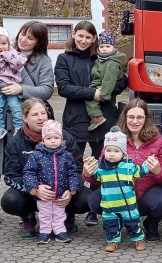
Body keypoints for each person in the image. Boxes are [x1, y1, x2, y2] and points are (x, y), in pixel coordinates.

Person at [0, 21, 53, 225]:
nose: (24, 39)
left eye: (31, 37)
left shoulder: (42, 61)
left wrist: (21, 89)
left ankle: (26, 207)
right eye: (22, 34)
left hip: (25, 117)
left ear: (39, 42)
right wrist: (6, 85)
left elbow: (46, 90)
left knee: (26, 162)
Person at [84, 99, 162, 241]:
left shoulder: (158, 141)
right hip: (119, 195)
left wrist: (158, 171)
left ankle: (151, 223)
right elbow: (100, 175)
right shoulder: (113, 139)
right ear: (125, 117)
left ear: (146, 119)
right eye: (131, 117)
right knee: (94, 200)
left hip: (146, 195)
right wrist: (87, 173)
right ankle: (118, 220)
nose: (135, 121)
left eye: (140, 117)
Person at [1, 98, 91, 238]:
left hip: (62, 192)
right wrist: (34, 189)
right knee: (10, 200)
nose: (40, 118)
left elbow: (77, 169)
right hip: (32, 194)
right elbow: (11, 176)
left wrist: (71, 191)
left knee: (87, 199)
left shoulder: (65, 137)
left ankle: (68, 215)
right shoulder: (16, 142)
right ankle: (28, 217)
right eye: (34, 114)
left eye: (43, 113)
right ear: (25, 118)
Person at [55, 21, 128, 160]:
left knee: (104, 164)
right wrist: (93, 93)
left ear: (94, 39)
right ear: (73, 34)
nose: (83, 41)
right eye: (80, 36)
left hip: (104, 118)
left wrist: (106, 91)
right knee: (74, 164)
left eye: (88, 37)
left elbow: (122, 81)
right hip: (76, 119)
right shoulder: (64, 59)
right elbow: (64, 88)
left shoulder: (103, 57)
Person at [86, 126, 161, 253]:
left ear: (124, 153)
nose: (111, 154)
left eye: (116, 151)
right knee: (110, 224)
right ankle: (113, 240)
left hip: (128, 204)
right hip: (109, 205)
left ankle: (138, 238)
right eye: (108, 150)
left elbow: (139, 172)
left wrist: (148, 164)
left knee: (133, 222)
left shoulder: (128, 166)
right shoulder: (101, 168)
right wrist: (89, 166)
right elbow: (93, 175)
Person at [22, 120, 81, 245]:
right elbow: (29, 171)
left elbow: (73, 172)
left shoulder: (67, 155)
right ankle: (45, 232)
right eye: (49, 138)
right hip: (44, 194)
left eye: (56, 138)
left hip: (61, 193)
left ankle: (60, 231)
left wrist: (73, 188)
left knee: (59, 213)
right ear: (43, 140)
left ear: (62, 140)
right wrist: (33, 186)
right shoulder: (36, 155)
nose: (53, 141)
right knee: (45, 213)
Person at [86, 30, 128, 132]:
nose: (104, 49)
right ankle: (97, 117)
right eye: (101, 46)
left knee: (89, 99)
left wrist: (103, 94)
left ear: (114, 47)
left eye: (108, 46)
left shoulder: (112, 63)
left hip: (104, 90)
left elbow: (109, 79)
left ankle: (97, 117)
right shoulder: (101, 59)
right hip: (99, 86)